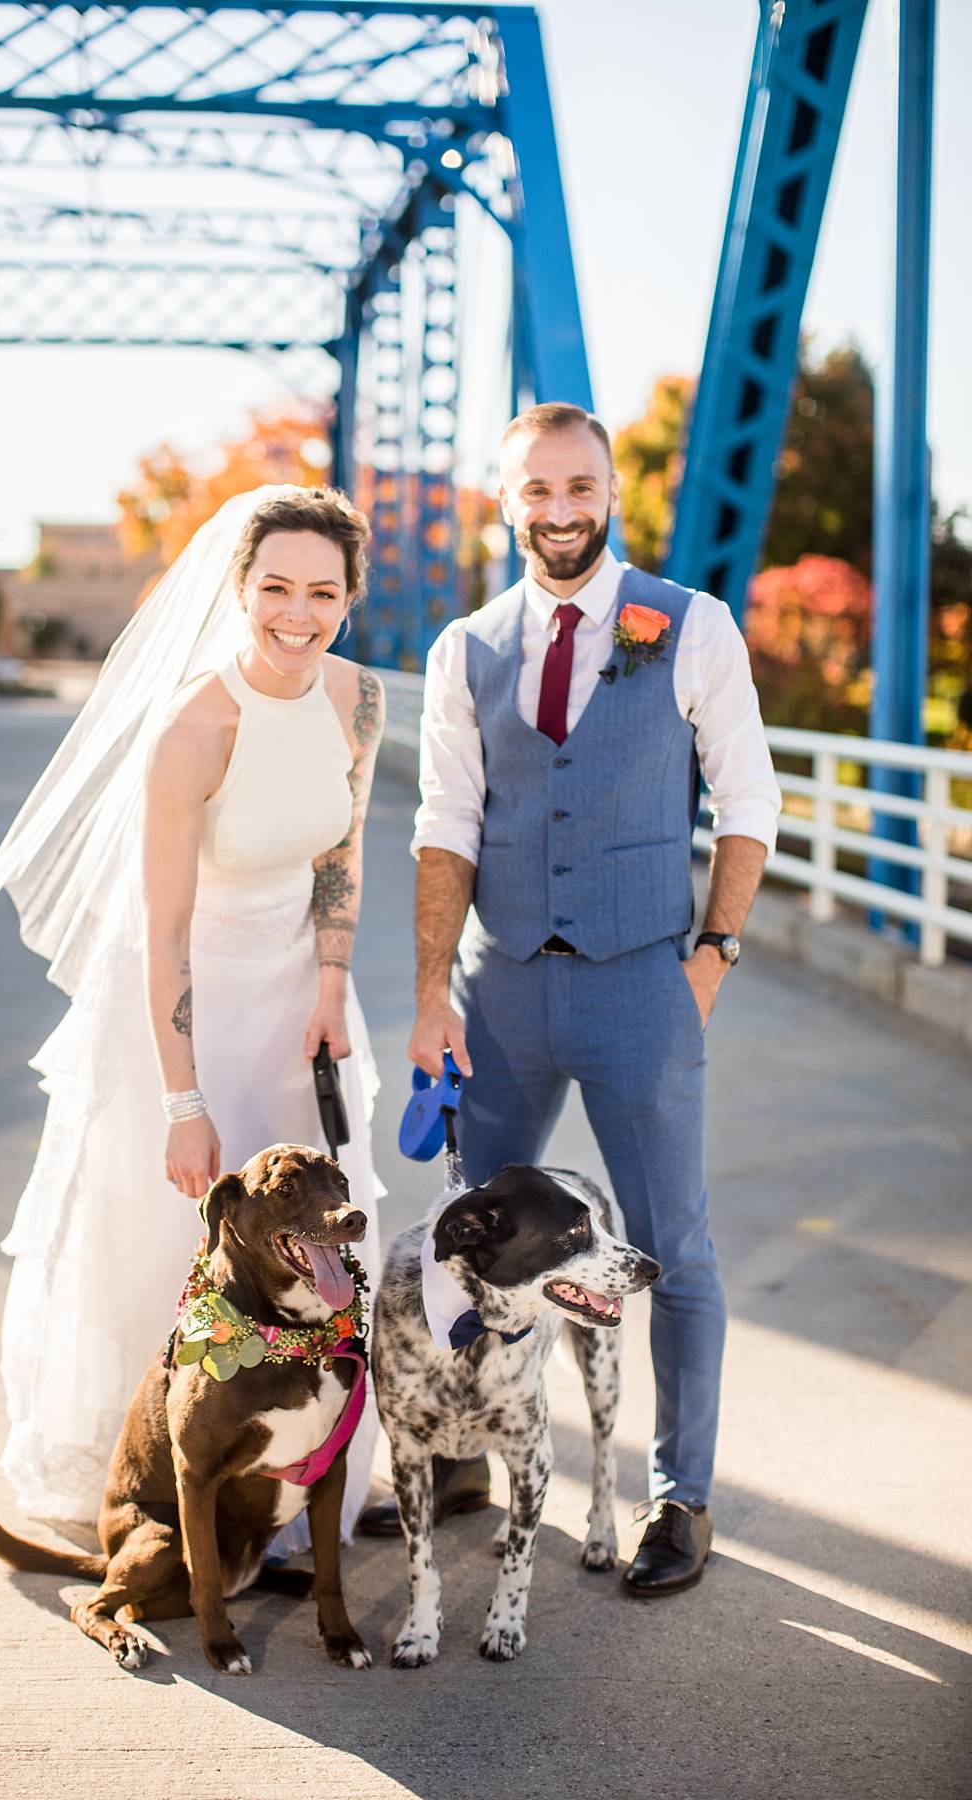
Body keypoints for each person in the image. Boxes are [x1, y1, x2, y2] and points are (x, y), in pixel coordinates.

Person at [359, 404, 780, 1596]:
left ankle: (680, 1501)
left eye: (579, 487)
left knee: (673, 1250)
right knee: (463, 1244)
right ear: (507, 501)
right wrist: (434, 991)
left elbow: (749, 804)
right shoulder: (467, 646)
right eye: (535, 490)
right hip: (498, 996)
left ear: (610, 493)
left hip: (645, 980)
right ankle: (453, 1465)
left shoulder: (689, 627)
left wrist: (712, 958)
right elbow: (444, 827)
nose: (559, 510)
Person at [0, 485, 386, 1547]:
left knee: (313, 1246)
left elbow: (341, 852)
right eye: (276, 589)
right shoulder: (194, 726)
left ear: (350, 596)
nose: (298, 614)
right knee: (171, 1246)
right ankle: (160, 1487)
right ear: (240, 589)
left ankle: (289, 1487)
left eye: (322, 593)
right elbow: (160, 936)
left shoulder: (360, 697)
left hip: (299, 994)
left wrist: (333, 982)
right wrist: (184, 1100)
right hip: (188, 1008)